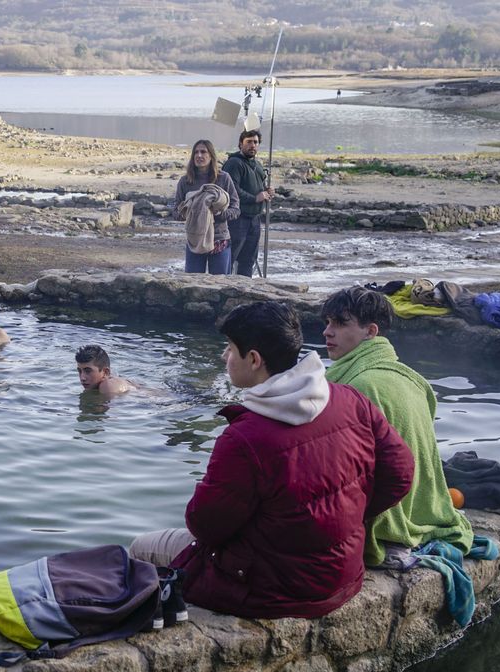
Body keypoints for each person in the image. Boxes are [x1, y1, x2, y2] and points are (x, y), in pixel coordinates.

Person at [130, 301, 414, 619]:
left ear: (253, 359)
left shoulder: (244, 437)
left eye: (229, 348)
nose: (225, 357)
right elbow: (401, 472)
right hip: (344, 576)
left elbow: (205, 525)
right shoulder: (351, 399)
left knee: (142, 547)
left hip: (272, 590)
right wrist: (347, 514)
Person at [322, 287, 474, 567]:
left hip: (388, 517)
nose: (327, 332)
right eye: (328, 323)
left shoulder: (356, 387)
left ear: (371, 332)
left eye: (340, 324)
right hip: (422, 508)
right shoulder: (413, 379)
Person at [172, 139, 240, 275]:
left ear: (211, 155)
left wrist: (216, 214)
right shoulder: (185, 182)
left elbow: (236, 209)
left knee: (220, 285)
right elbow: (175, 211)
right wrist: (191, 212)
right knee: (193, 285)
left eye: (203, 152)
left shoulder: (224, 178)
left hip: (219, 240)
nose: (199, 155)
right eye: (196, 152)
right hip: (195, 240)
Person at [222, 130, 275, 277]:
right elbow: (231, 189)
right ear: (240, 144)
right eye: (249, 142)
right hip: (237, 219)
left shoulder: (257, 165)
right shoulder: (233, 163)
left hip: (254, 219)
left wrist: (266, 191)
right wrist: (254, 198)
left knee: (249, 259)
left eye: (255, 142)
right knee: (230, 257)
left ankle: (243, 290)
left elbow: (258, 187)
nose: (253, 145)